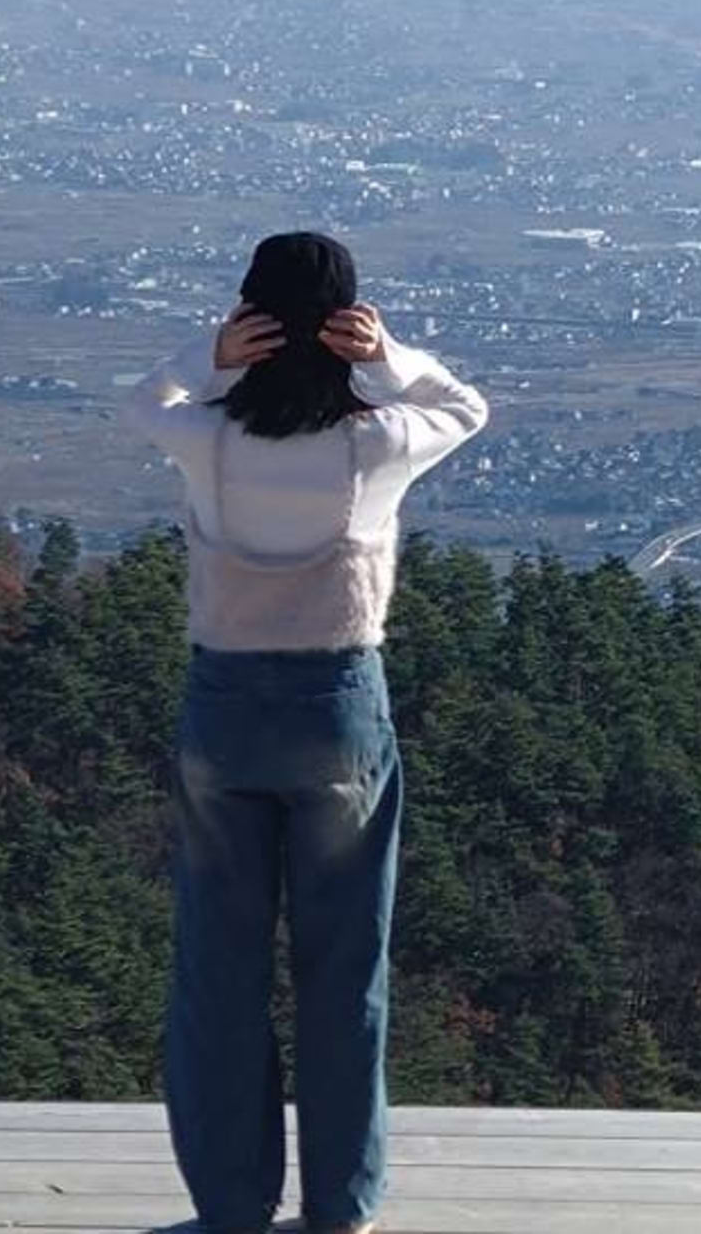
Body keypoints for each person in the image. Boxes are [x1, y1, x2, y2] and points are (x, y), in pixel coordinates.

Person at [125, 231, 489, 1234]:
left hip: (225, 709)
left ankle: (233, 1204)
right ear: (342, 326)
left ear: (253, 320)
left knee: (219, 969)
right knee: (343, 969)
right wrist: (387, 356)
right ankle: (342, 1203)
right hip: (337, 708)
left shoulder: (209, 440)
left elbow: (139, 404)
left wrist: (209, 355)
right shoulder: (373, 446)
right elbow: (466, 407)